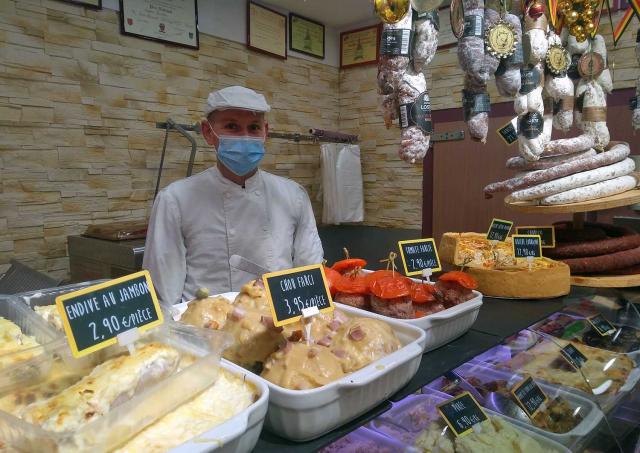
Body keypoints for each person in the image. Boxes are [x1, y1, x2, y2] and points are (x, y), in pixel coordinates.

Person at [143, 86, 324, 304]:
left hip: (277, 327)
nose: (245, 137)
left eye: (254, 127)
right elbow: (162, 294)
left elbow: (310, 276)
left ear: (265, 132)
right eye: (232, 126)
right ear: (208, 132)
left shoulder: (293, 195)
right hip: (204, 330)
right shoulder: (174, 200)